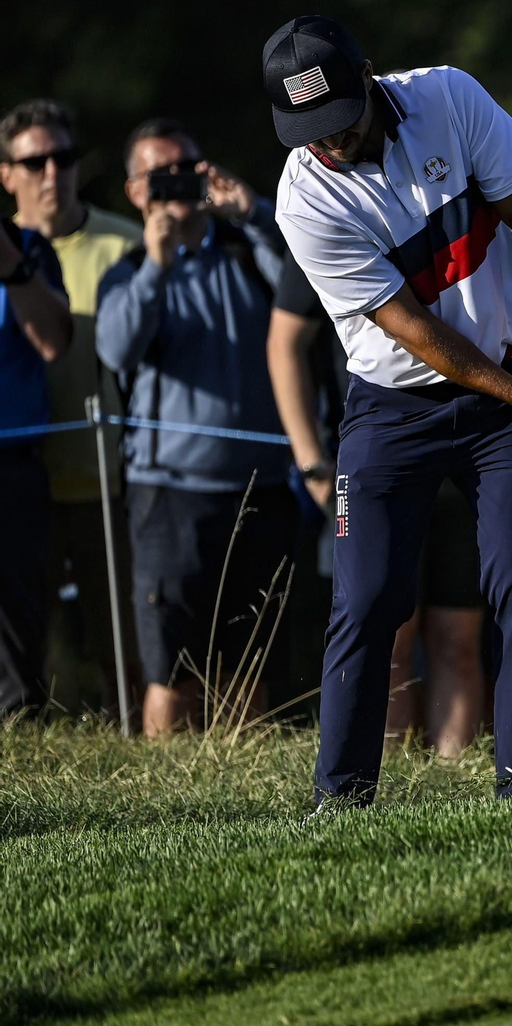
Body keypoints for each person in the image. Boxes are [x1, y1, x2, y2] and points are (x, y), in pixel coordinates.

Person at [264, 15, 512, 804]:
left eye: (338, 119)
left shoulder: (449, 98)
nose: (328, 142)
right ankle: (341, 800)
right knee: (366, 596)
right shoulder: (302, 200)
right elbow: (413, 329)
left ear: (368, 78)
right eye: (309, 130)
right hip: (391, 406)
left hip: (506, 377)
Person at [97, 118, 295, 738]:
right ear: (135, 191)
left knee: (247, 664)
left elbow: (311, 284)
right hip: (168, 493)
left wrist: (255, 212)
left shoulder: (247, 250)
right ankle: (164, 806)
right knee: (170, 669)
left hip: (258, 487)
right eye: (161, 175)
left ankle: (249, 801)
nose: (178, 185)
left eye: (189, 167)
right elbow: (116, 349)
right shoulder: (130, 269)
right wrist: (157, 264)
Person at [267, 255, 487, 758]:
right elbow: (284, 343)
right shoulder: (331, 211)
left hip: (468, 452)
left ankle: (454, 787)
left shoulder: (452, 200)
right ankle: (392, 776)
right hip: (380, 456)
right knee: (390, 633)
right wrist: (312, 464)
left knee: (459, 637)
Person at [1, 99, 144, 720]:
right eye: (35, 161)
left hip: (100, 477)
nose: (51, 172)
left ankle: (132, 751)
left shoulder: (114, 243)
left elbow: (61, 343)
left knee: (118, 645)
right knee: (26, 641)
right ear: (7, 173)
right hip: (32, 473)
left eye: (62, 158)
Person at [0, 219, 73, 716]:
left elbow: (52, 342)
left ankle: (18, 727)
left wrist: (10, 264)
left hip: (12, 466)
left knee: (16, 624)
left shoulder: (26, 247)